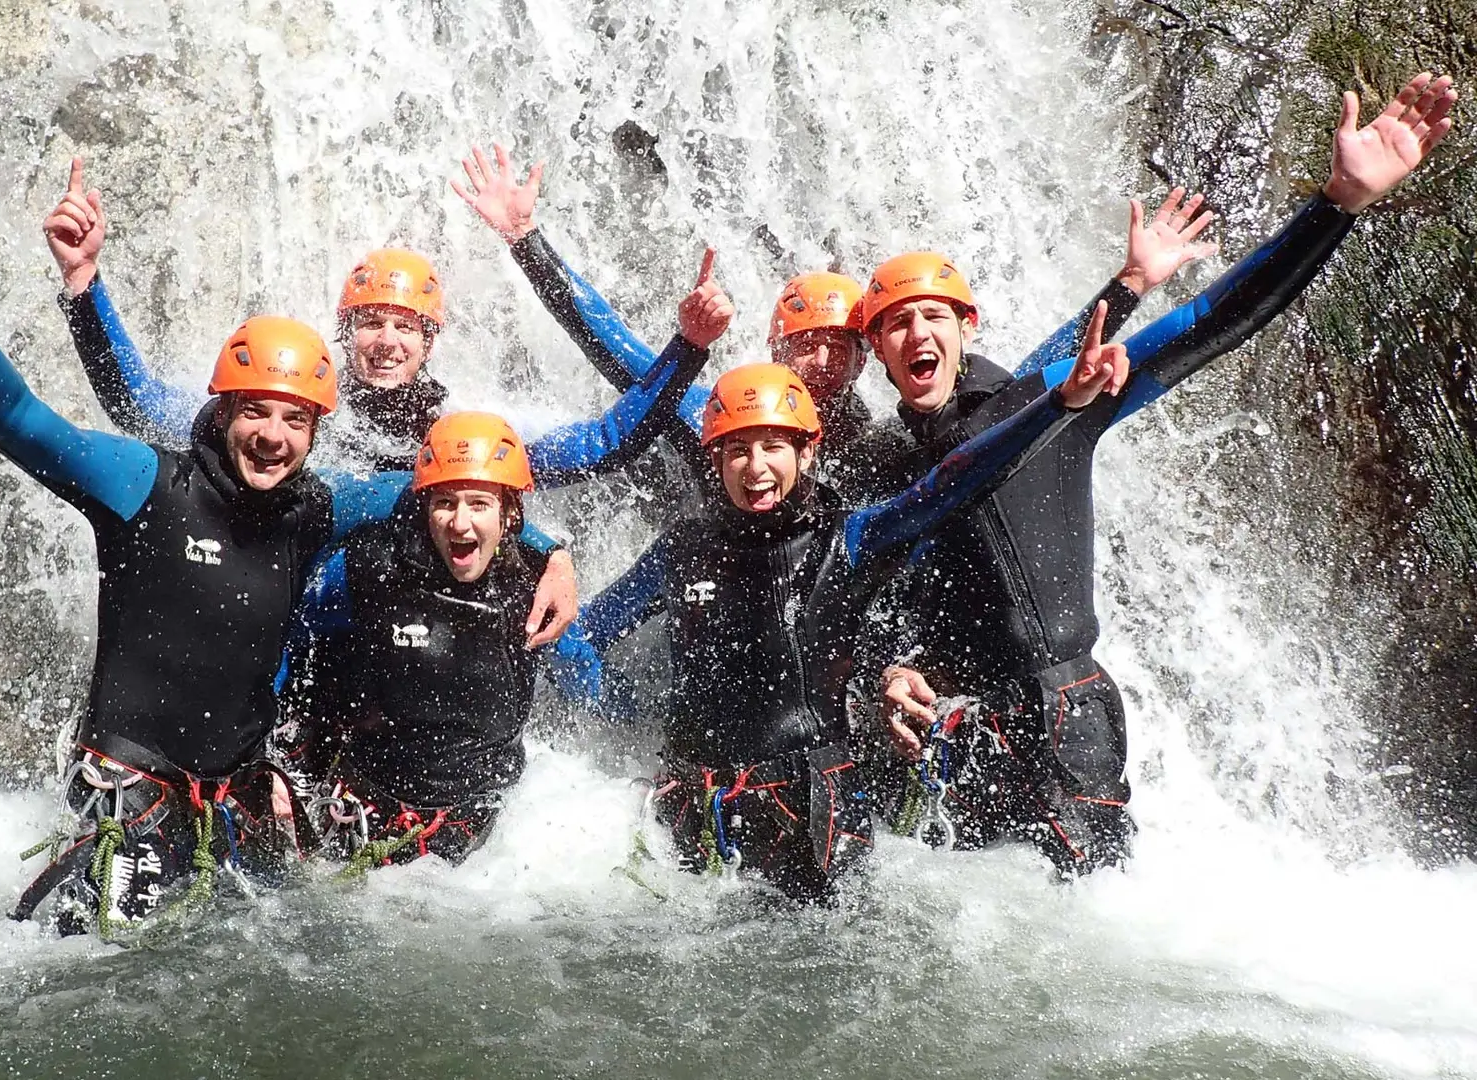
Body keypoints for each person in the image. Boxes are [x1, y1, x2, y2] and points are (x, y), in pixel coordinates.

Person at [0, 155, 576, 937]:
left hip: (244, 804)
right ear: (221, 410)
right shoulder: (141, 483)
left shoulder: (314, 507)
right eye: (257, 413)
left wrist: (549, 547)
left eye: (297, 421)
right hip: (134, 791)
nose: (275, 438)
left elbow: (446, 489)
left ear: (319, 429)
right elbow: (12, 415)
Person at [869, 72, 1459, 875]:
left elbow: (1209, 323)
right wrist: (901, 671)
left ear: (965, 327)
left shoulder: (1052, 405)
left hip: (1064, 717)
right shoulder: (891, 473)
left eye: (930, 315)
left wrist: (1337, 205)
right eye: (895, 326)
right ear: (878, 353)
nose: (914, 335)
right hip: (969, 731)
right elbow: (915, 603)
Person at [576, 326, 1130, 902]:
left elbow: (954, 478)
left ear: (806, 451)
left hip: (810, 809)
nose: (756, 466)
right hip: (695, 805)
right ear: (714, 459)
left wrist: (1057, 406)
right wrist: (552, 567)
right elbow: (585, 631)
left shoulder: (849, 540)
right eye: (738, 449)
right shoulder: (682, 548)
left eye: (773, 446)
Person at [451, 143, 1219, 500]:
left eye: (838, 346)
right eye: (803, 345)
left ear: (867, 358)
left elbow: (1032, 383)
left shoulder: (890, 444)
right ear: (773, 348)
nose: (820, 362)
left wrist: (1127, 287)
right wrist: (527, 241)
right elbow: (616, 349)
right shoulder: (715, 414)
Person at [39, 157, 721, 478]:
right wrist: (84, 285)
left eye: (406, 327)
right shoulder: (291, 417)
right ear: (345, 334)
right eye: (371, 323)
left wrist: (687, 348)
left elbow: (606, 444)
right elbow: (136, 404)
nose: (388, 341)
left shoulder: (465, 429)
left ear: (431, 341)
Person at [288, 414, 609, 867]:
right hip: (367, 808)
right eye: (444, 503)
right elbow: (292, 636)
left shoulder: (535, 592)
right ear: (423, 507)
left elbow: (584, 675)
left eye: (479, 504)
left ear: (509, 512)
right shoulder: (369, 569)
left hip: (483, 832)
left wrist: (622, 741)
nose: (460, 524)